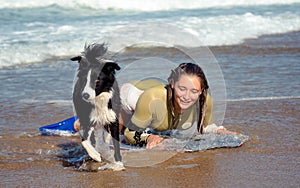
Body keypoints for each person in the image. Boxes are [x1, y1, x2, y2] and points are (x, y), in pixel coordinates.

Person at [119, 63, 237, 149]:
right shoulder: (152, 99)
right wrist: (149, 138)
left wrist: (220, 131)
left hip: (155, 92)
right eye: (182, 89)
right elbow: (130, 133)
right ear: (173, 84)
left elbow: (207, 126)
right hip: (133, 94)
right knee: (121, 132)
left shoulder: (204, 101)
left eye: (194, 91)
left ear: (201, 91)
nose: (187, 96)